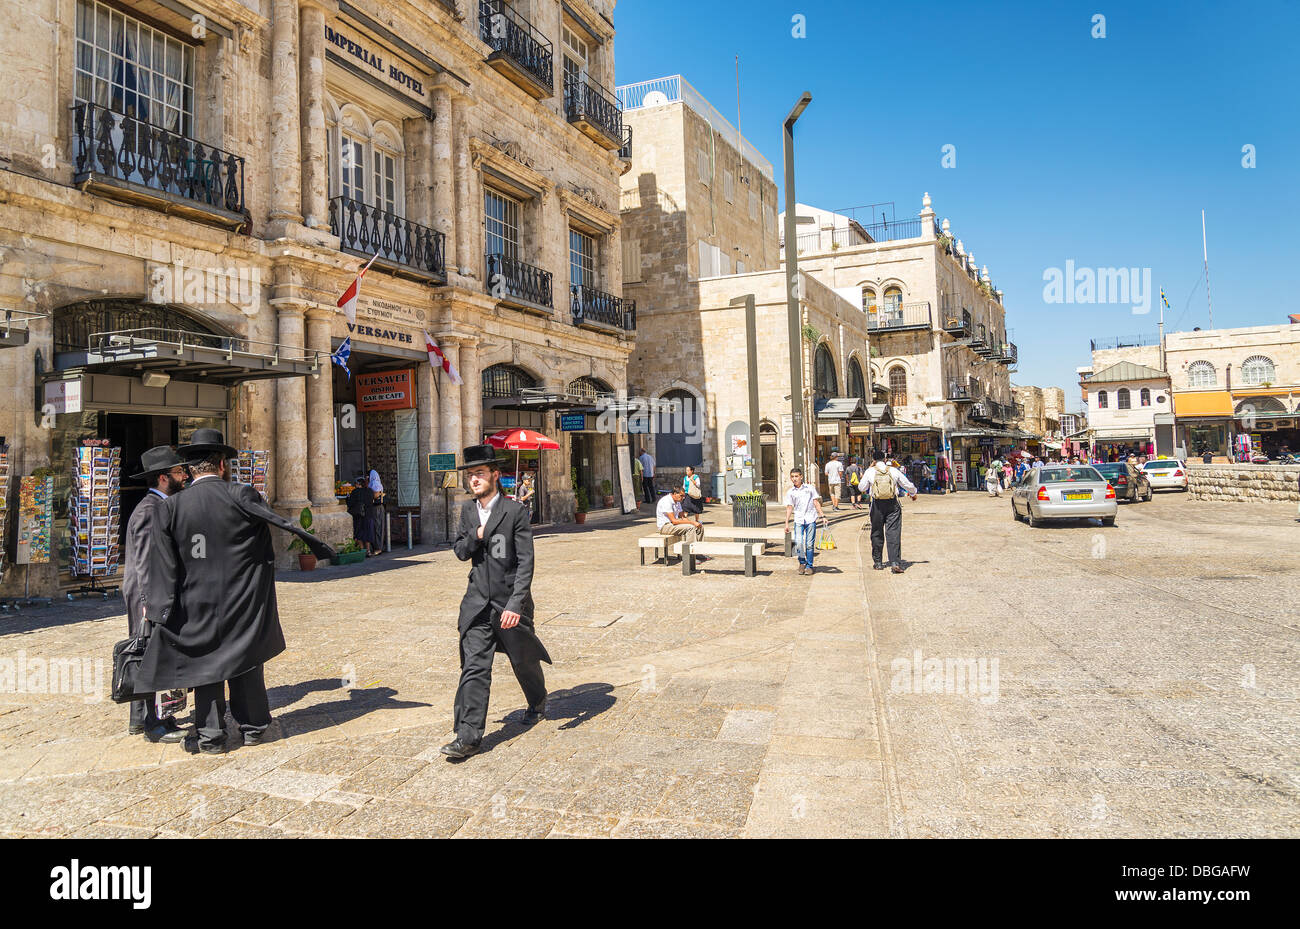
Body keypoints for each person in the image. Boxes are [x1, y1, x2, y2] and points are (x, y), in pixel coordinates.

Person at [137, 429, 335, 755]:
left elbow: (162, 563)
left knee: (205, 668)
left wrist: (160, 609)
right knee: (246, 661)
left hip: (194, 603)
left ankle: (211, 737)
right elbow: (273, 526)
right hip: (240, 598)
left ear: (189, 470)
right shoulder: (240, 495)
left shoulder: (170, 508)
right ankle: (254, 728)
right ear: (222, 465)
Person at [440, 445, 551, 759]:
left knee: (523, 660)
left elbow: (526, 562)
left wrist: (516, 604)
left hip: (509, 603)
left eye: (479, 473)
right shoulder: (468, 511)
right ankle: (468, 737)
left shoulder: (515, 512)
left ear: (495, 475)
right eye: (471, 474)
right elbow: (461, 552)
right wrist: (474, 534)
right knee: (475, 667)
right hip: (476, 604)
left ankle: (538, 700)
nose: (474, 479)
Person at [122, 446, 190, 744]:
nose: (184, 476)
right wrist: (152, 605)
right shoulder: (152, 510)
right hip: (147, 595)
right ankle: (154, 724)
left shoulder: (156, 505)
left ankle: (140, 719)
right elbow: (149, 562)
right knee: (150, 656)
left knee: (144, 654)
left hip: (146, 594)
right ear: (164, 478)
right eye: (178, 472)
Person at [866, 452, 918, 573]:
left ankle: (878, 562)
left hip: (876, 505)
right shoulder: (893, 471)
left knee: (877, 533)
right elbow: (906, 484)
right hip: (892, 504)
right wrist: (913, 493)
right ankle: (894, 562)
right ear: (884, 459)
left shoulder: (870, 471)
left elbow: (861, 488)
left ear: (873, 459)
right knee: (893, 533)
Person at [783, 467, 826, 576]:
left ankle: (809, 566)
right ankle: (802, 562)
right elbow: (789, 507)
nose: (794, 479)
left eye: (796, 476)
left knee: (809, 544)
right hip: (798, 519)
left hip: (810, 518)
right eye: (792, 477)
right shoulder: (790, 492)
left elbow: (816, 502)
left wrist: (822, 516)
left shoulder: (810, 488)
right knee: (798, 543)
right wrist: (786, 523)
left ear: (801, 476)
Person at [655, 484, 706, 556]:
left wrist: (694, 523)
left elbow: (683, 517)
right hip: (665, 527)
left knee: (699, 527)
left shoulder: (677, 502)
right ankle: (689, 556)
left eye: (684, 495)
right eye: (681, 495)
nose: (683, 497)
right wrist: (692, 523)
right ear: (675, 494)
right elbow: (674, 521)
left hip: (672, 525)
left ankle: (699, 552)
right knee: (690, 528)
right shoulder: (666, 501)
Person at [345, 473, 374, 552]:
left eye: (356, 484)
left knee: (359, 534)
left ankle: (362, 550)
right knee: (368, 534)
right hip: (369, 515)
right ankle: (368, 551)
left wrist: (347, 498)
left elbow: (350, 503)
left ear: (358, 484)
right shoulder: (370, 491)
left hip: (359, 516)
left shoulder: (355, 492)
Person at [366, 466, 385, 555]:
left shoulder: (374, 483)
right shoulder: (373, 483)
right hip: (374, 508)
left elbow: (375, 495)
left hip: (376, 508)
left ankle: (378, 548)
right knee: (374, 527)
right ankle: (376, 547)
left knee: (377, 527)